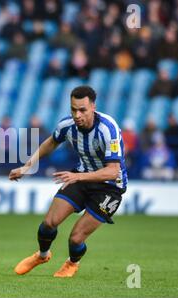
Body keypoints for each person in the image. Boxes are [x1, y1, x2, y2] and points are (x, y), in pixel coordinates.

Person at [9, 86, 127, 278]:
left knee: (75, 239)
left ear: (93, 107)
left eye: (82, 110)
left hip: (109, 188)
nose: (77, 115)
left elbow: (113, 171)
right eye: (73, 109)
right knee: (49, 223)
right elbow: (52, 141)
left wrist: (78, 176)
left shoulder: (108, 128)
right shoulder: (67, 125)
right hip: (80, 177)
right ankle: (42, 255)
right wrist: (27, 166)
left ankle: (72, 263)